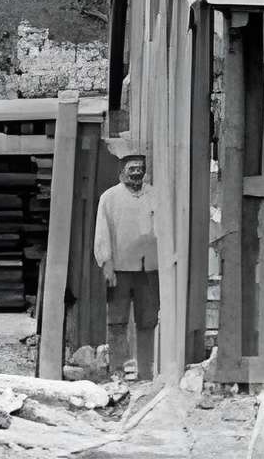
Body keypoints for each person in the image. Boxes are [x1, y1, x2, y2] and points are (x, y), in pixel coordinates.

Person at [91, 150, 159, 381]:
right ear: (122, 173)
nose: (137, 172)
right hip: (119, 269)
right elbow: (102, 233)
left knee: (147, 320)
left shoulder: (155, 195)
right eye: (132, 169)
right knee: (117, 320)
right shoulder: (109, 198)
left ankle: (146, 370)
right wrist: (106, 264)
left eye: (140, 168)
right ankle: (117, 370)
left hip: (149, 269)